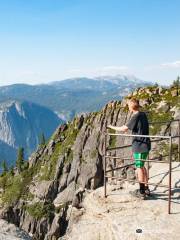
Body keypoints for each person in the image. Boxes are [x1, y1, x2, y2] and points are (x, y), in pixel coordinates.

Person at [108, 98, 151, 199]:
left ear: (132, 106)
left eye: (128, 105)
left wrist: (111, 127)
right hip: (146, 144)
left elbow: (124, 129)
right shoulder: (143, 114)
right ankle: (146, 188)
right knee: (142, 165)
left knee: (139, 167)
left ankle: (141, 191)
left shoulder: (135, 116)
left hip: (139, 145)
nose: (127, 107)